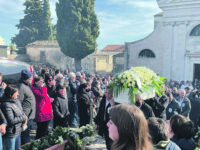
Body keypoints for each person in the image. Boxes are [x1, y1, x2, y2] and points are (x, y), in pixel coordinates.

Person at [1, 85, 27, 150]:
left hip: (18, 131)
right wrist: (23, 117)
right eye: (16, 93)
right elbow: (11, 120)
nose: (18, 94)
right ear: (11, 94)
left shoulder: (16, 101)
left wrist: (25, 117)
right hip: (11, 134)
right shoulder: (6, 104)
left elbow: (22, 111)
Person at [94, 86, 119, 150]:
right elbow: (100, 112)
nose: (107, 94)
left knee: (111, 142)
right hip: (104, 124)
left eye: (108, 93)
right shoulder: (103, 100)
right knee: (107, 142)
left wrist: (112, 105)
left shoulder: (115, 101)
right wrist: (96, 123)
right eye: (105, 92)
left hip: (111, 125)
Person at [17, 69, 35, 145]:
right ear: (27, 79)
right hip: (25, 117)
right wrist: (23, 116)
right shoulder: (21, 86)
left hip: (28, 116)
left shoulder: (26, 85)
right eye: (31, 78)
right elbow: (18, 102)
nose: (32, 80)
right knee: (24, 138)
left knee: (26, 136)